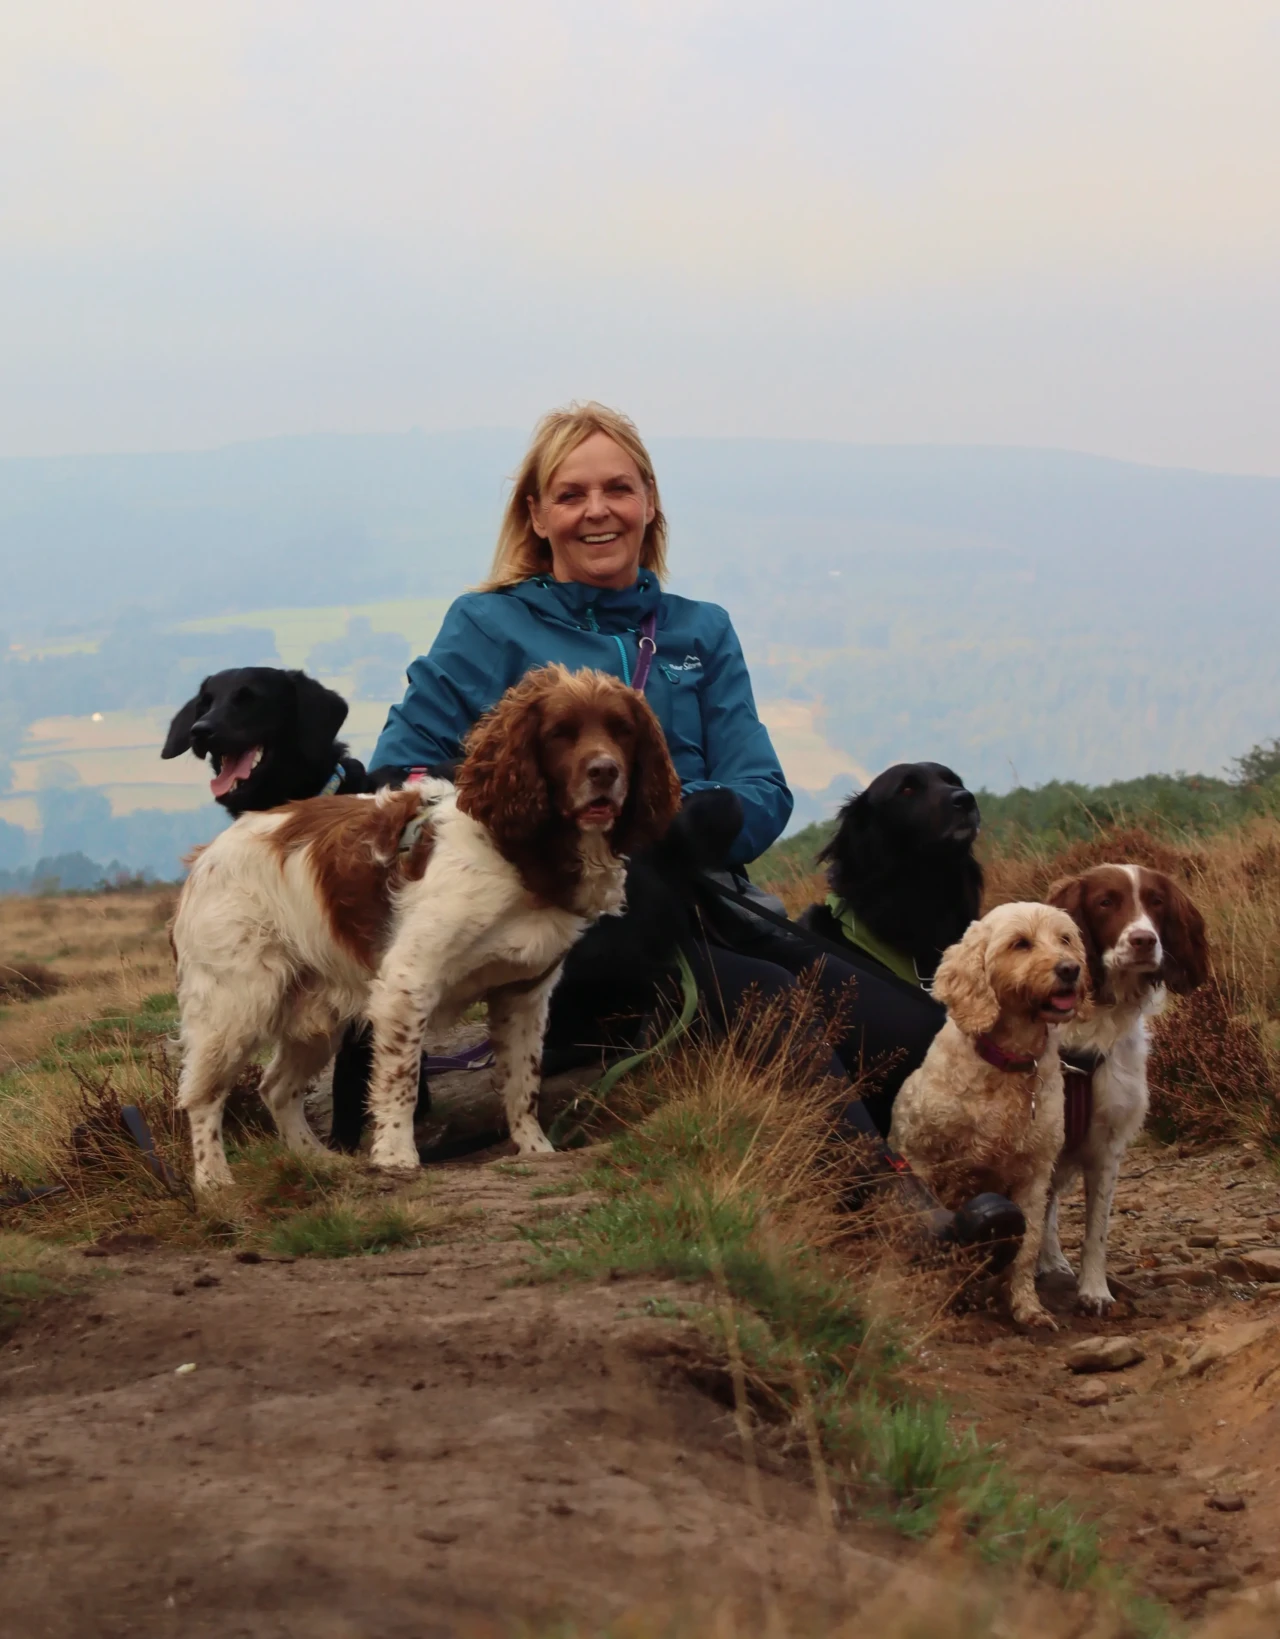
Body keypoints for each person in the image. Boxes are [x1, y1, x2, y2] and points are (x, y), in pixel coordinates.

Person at [344, 402, 1020, 1249]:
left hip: (701, 898)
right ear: (537, 515)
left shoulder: (701, 631)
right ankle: (891, 1217)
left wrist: (701, 820)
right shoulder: (487, 626)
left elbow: (761, 784)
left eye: (618, 489)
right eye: (572, 493)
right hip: (554, 924)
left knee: (913, 1030)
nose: (597, 510)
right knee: (770, 1001)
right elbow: (397, 771)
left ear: (650, 503)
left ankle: (984, 1196)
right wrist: (544, 827)